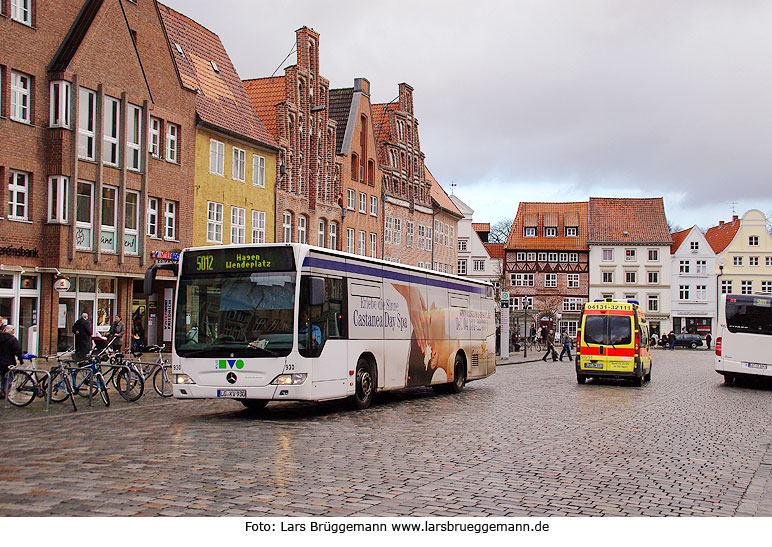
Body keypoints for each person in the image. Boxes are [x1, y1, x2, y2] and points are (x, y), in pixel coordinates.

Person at [0, 324, 24, 398]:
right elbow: (17, 350)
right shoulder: (12, 339)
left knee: (3, 376)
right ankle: (5, 391)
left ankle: (1, 390)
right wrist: (20, 359)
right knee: (9, 377)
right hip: (9, 362)